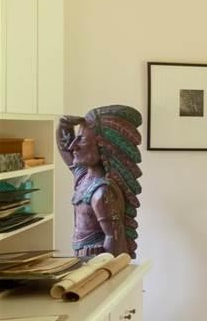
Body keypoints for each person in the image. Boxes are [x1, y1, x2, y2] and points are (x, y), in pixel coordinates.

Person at [57, 105, 143, 258]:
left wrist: (108, 272)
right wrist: (65, 125)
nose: (73, 146)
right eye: (75, 139)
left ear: (102, 147)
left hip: (97, 261)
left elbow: (115, 238)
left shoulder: (101, 192)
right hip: (83, 258)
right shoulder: (84, 178)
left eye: (81, 140)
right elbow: (66, 150)